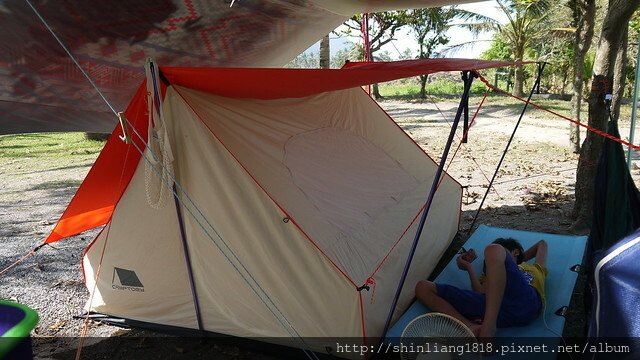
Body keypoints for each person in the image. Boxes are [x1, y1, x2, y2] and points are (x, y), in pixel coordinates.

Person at [415, 238, 548, 339]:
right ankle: (470, 327)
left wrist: (517, 258)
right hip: (498, 310)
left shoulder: (532, 268)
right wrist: (469, 267)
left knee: (493, 249)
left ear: (514, 252)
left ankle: (488, 328)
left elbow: (542, 244)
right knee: (422, 287)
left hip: (526, 302)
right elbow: (480, 292)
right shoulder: (488, 276)